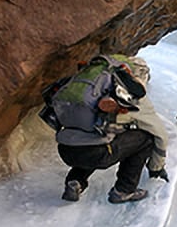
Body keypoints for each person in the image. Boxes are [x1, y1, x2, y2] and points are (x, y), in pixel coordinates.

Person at [50, 55, 169, 204]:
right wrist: (156, 168)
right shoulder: (129, 94)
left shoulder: (87, 86)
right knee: (146, 138)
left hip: (66, 150)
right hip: (98, 153)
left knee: (91, 134)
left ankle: (75, 181)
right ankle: (124, 191)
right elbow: (161, 135)